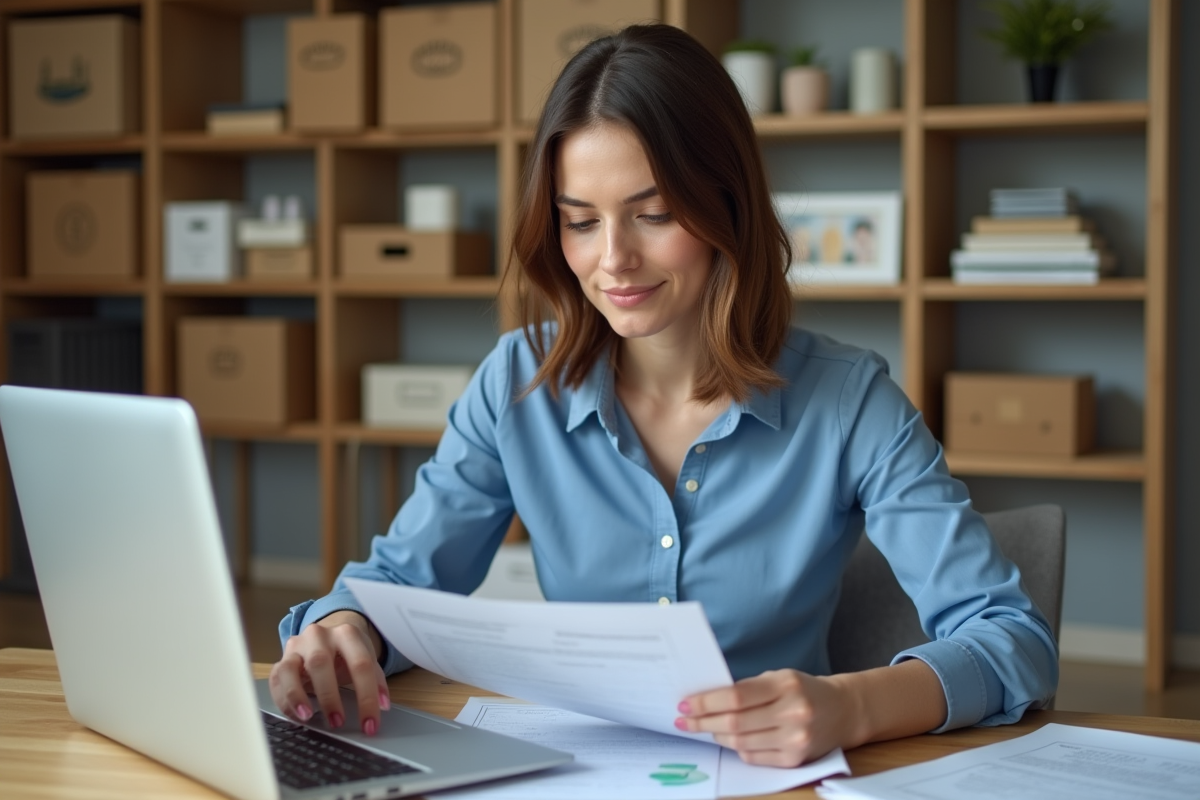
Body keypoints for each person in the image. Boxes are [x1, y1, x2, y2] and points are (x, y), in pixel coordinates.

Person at [270, 24, 1057, 767]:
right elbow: (399, 586)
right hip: (579, 770)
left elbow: (1012, 639)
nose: (613, 259)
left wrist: (851, 706)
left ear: (728, 210)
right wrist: (343, 629)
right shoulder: (517, 381)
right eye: (580, 222)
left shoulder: (850, 402)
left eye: (654, 214)